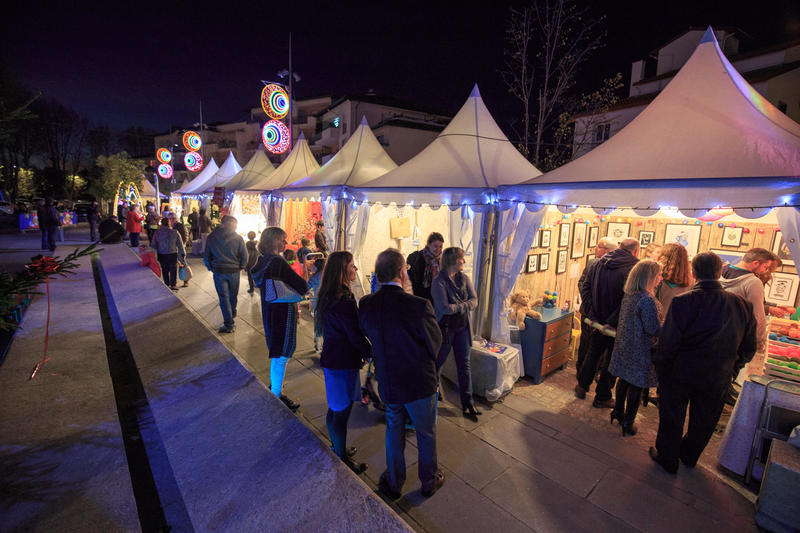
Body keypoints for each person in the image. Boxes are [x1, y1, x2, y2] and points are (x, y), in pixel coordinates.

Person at [650, 252, 757, 474]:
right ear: (719, 272)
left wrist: (662, 368)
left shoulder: (683, 302)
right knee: (705, 419)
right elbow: (748, 347)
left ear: (694, 273)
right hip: (718, 373)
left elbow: (668, 342)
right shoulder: (742, 305)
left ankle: (668, 458)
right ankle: (689, 455)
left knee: (672, 415)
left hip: (681, 370)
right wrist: (733, 367)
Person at [358, 248, 444, 499]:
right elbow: (434, 344)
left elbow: (365, 331)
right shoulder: (418, 306)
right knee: (425, 432)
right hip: (419, 382)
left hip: (389, 380)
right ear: (402, 273)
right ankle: (428, 480)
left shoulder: (367, 304)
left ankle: (394, 482)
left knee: (394, 429)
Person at [315, 251, 371, 474]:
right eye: (352, 266)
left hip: (335, 359)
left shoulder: (330, 295)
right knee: (341, 412)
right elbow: (354, 335)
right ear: (342, 269)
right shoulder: (342, 300)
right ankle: (341, 457)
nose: (355, 270)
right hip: (341, 362)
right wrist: (370, 351)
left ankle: (338, 447)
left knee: (335, 408)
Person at [576, 238, 640, 407]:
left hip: (598, 319)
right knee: (612, 359)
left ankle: (582, 386)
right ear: (636, 251)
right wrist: (612, 321)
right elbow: (628, 300)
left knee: (593, 353)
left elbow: (586, 288)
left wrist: (593, 313)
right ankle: (602, 396)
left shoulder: (598, 263)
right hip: (617, 323)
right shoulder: (634, 268)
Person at [251, 227, 309, 411]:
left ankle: (275, 389)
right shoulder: (277, 262)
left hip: (270, 310)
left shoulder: (262, 261)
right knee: (281, 354)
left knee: (276, 350)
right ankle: (276, 394)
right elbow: (302, 286)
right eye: (282, 240)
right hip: (283, 312)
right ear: (274, 241)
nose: (285, 243)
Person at [608, 260, 663, 436]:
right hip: (640, 348)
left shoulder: (630, 294)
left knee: (623, 379)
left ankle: (617, 412)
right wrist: (669, 326)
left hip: (625, 344)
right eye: (659, 275)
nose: (661, 279)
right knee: (636, 385)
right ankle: (628, 422)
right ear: (650, 277)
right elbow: (652, 328)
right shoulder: (646, 300)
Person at [431, 246, 480, 421]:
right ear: (453, 260)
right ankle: (431, 399)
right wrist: (464, 306)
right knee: (438, 364)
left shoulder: (464, 278)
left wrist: (458, 307)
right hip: (445, 328)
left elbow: (475, 301)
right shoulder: (439, 282)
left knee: (464, 365)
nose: (464, 261)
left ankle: (468, 403)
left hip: (462, 328)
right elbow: (444, 308)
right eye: (462, 258)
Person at [576, 237, 617, 375]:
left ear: (608, 250)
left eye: (598, 246)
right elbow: (582, 284)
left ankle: (594, 372)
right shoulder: (592, 263)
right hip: (588, 312)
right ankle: (581, 371)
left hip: (606, 317)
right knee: (585, 343)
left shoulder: (618, 268)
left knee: (600, 347)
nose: (595, 248)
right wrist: (590, 305)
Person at [203, 215, 247, 334]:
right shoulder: (238, 238)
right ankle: (231, 315)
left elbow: (207, 255)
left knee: (224, 297)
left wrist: (210, 267)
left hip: (219, 270)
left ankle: (229, 323)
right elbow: (244, 255)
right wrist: (241, 266)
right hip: (233, 271)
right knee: (232, 295)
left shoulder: (212, 237)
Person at [407, 232, 444, 303]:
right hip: (421, 296)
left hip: (438, 296)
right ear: (428, 244)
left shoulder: (443, 259)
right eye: (435, 246)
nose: (438, 249)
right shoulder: (417, 257)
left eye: (440, 246)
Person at [655, 243, 693, 313]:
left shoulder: (656, 277)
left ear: (663, 257)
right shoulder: (691, 281)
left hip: (658, 320)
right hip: (679, 321)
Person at [150, 217, 186, 291]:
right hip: (173, 253)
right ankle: (173, 285)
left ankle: (166, 284)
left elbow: (153, 244)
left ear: (161, 224)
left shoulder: (157, 233)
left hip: (162, 254)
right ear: (169, 223)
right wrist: (182, 255)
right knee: (173, 269)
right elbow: (180, 245)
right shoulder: (175, 232)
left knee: (164, 269)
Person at [245, 231, 259, 295]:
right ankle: (257, 285)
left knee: (250, 276)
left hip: (249, 262)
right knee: (256, 275)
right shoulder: (256, 243)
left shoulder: (247, 244)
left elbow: (245, 254)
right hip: (255, 261)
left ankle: (251, 289)